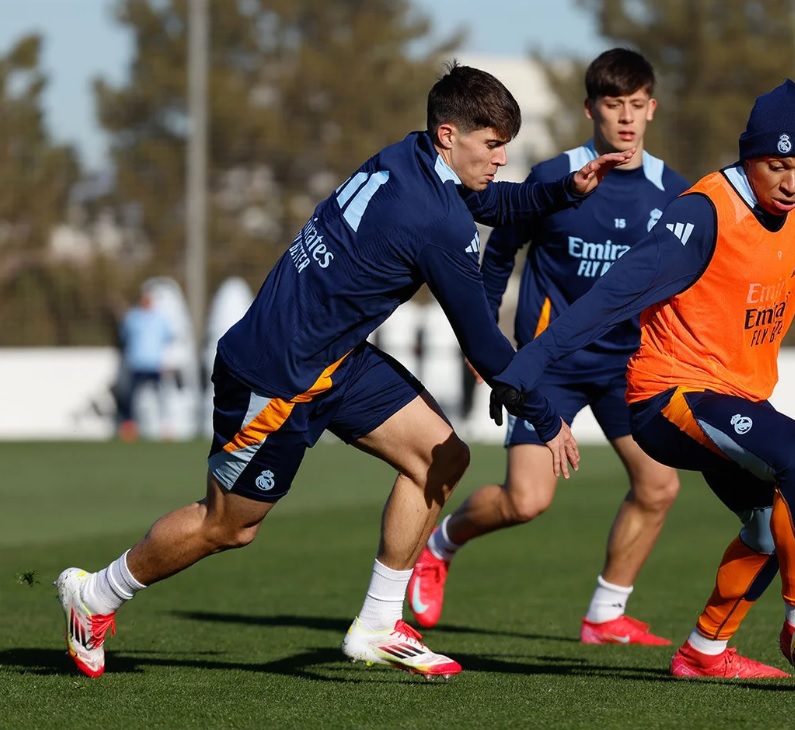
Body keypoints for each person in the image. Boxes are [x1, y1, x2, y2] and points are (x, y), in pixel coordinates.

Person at [54, 61, 634, 681]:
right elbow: (486, 348)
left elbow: (492, 199)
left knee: (440, 457)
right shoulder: (435, 222)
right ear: (447, 135)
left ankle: (378, 626)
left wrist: (562, 190)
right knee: (228, 525)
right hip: (277, 375)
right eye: (492, 146)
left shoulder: (406, 155)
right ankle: (95, 596)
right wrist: (546, 418)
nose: (499, 160)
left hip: (334, 358)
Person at [487, 79, 795, 686]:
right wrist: (528, 366)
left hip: (733, 397)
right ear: (748, 156)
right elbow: (612, 296)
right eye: (777, 166)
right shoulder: (703, 213)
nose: (791, 182)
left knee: (768, 525)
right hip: (665, 398)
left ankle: (703, 651)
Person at [408, 49, 688, 646]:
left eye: (637, 105)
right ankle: (441, 543)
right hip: (551, 365)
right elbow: (498, 255)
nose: (626, 119)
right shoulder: (555, 177)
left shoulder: (674, 194)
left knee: (659, 485)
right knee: (526, 500)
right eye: (614, 105)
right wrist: (486, 340)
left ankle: (606, 615)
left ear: (652, 109)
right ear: (590, 109)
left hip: (627, 367)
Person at [115, 289, 174, 442]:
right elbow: (124, 336)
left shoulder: (160, 318)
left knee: (162, 397)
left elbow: (168, 339)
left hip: (155, 365)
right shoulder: (132, 317)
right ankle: (129, 427)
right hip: (136, 364)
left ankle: (165, 426)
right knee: (131, 397)